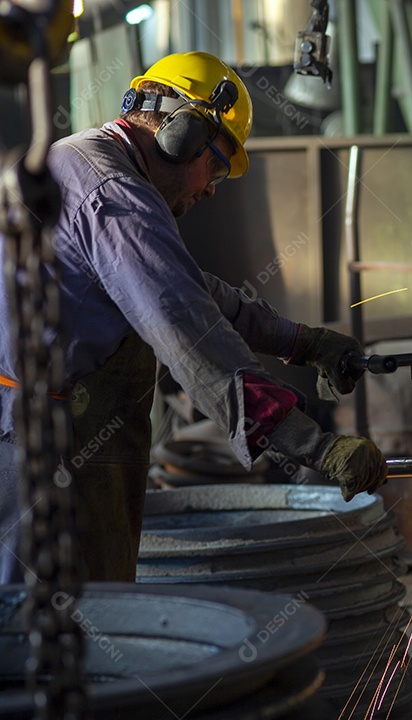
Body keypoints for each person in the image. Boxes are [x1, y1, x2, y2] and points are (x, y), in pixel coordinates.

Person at [0, 51, 386, 584]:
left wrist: (302, 341)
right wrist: (315, 446)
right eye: (218, 166)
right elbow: (190, 333)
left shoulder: (88, 161)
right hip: (39, 450)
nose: (211, 188)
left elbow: (192, 290)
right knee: (46, 619)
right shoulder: (115, 196)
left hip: (51, 434)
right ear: (181, 133)